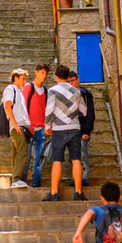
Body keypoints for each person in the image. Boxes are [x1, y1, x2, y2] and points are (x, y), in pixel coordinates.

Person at [43, 64, 87, 202]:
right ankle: (78, 192)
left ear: (56, 77)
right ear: (68, 77)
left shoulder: (53, 91)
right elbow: (84, 111)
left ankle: (54, 193)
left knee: (57, 161)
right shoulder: (77, 91)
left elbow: (49, 110)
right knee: (76, 160)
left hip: (58, 129)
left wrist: (47, 126)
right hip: (74, 128)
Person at [3, 68, 31, 188]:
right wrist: (15, 124)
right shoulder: (10, 89)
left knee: (16, 153)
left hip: (21, 126)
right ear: (16, 78)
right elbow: (8, 106)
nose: (25, 82)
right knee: (23, 152)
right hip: (17, 127)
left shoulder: (19, 92)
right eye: (23, 79)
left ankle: (15, 179)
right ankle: (16, 179)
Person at [22, 63, 50, 187]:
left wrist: (47, 126)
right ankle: (22, 181)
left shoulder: (45, 91)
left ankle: (35, 182)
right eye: (42, 72)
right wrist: (29, 125)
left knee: (39, 159)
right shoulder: (28, 87)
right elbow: (22, 107)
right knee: (26, 158)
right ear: (36, 72)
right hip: (29, 129)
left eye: (46, 73)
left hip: (41, 129)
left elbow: (46, 110)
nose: (44, 76)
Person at [68, 71, 95, 187]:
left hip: (82, 129)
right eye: (68, 81)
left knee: (83, 155)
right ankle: (75, 178)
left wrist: (87, 131)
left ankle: (84, 178)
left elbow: (90, 113)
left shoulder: (85, 94)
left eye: (72, 80)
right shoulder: (67, 95)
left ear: (77, 80)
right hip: (70, 129)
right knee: (73, 156)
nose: (71, 83)